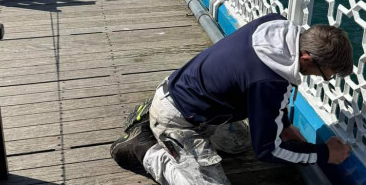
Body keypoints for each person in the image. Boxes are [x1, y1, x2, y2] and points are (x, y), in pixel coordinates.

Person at [110, 13, 353, 184]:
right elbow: (267, 152)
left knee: (239, 144)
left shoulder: (275, 25)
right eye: (325, 76)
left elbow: (264, 90)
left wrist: (285, 127)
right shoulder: (269, 82)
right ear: (307, 58)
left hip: (189, 95)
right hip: (177, 117)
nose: (323, 79)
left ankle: (153, 116)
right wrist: (324, 153)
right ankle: (145, 148)